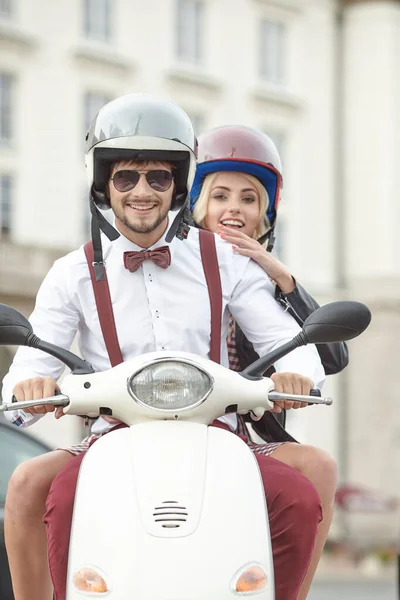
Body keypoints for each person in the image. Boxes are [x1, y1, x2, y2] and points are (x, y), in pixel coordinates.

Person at [2, 94, 324, 600]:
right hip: (111, 436)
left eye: (159, 177)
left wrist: (298, 373)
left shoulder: (224, 258)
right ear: (103, 185)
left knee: (297, 499)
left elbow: (284, 337)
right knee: (57, 496)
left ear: (178, 186)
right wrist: (31, 389)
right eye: (125, 178)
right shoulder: (72, 272)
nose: (142, 192)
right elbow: (27, 367)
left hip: (218, 433)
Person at [190, 124, 349, 599]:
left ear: (264, 216)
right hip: (162, 419)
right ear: (199, 206)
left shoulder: (262, 283)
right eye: (220, 196)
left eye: (249, 199)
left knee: (317, 467)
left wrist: (282, 277)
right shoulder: (169, 264)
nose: (233, 208)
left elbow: (331, 354)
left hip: (234, 430)